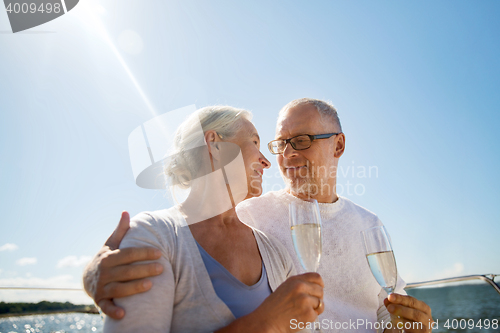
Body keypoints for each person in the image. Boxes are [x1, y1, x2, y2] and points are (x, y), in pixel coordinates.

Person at [84, 99, 433, 333]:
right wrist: (93, 273)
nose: (283, 156)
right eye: (279, 144)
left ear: (338, 145)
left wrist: (409, 323)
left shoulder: (368, 224)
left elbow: (388, 306)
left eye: (303, 140)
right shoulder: (249, 213)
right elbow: (174, 231)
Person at [92, 105, 324, 333]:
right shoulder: (154, 235)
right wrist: (266, 324)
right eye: (254, 142)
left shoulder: (275, 253)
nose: (266, 161)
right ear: (214, 144)